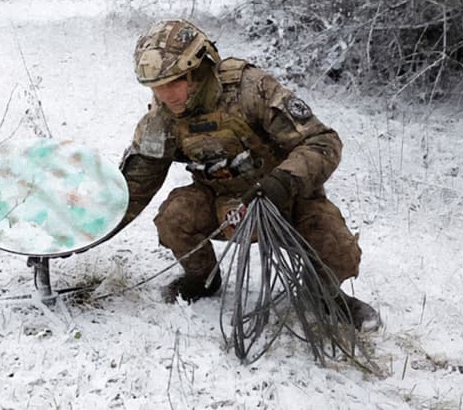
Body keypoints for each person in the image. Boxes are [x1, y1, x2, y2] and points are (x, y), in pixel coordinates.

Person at [114, 19, 380, 331]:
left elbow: (323, 141)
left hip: (285, 198)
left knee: (337, 249)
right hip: (221, 204)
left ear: (198, 69)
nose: (166, 95)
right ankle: (202, 280)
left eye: (174, 82)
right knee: (174, 216)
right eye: (157, 87)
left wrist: (283, 182)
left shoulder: (250, 90)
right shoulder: (161, 118)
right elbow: (134, 187)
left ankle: (325, 295)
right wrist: (79, 234)